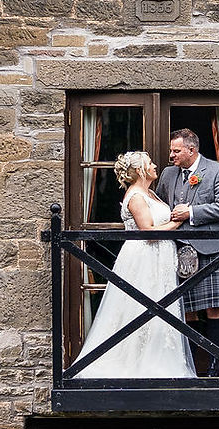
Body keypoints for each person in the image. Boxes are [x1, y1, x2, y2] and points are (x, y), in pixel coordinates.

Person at [72, 150, 196, 379]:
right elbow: (147, 232)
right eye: (150, 163)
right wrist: (177, 223)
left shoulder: (149, 193)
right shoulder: (137, 197)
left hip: (160, 257)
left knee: (161, 305)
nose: (155, 165)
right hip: (145, 258)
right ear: (140, 170)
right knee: (140, 306)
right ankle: (136, 362)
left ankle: (160, 359)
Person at [155, 128, 219, 376]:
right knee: (185, 310)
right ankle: (188, 365)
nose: (171, 155)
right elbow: (158, 204)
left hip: (211, 250)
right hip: (178, 250)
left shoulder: (217, 171)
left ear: (192, 150)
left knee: (213, 308)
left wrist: (190, 213)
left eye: (176, 151)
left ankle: (214, 364)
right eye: (171, 150)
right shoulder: (169, 174)